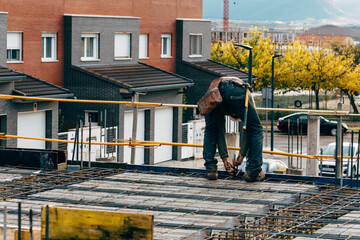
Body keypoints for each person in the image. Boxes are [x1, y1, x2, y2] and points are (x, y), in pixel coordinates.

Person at [202, 77, 265, 182]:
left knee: (211, 129)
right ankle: (253, 172)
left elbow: (219, 131)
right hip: (235, 90)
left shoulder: (219, 97)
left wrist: (225, 158)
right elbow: (248, 130)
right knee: (256, 129)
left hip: (214, 94)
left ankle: (211, 170)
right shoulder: (247, 96)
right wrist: (242, 154)